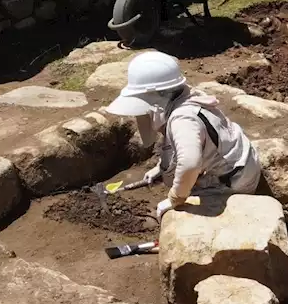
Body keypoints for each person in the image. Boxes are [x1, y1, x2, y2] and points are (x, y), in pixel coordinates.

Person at [104, 51, 261, 220]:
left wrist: (175, 199)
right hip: (241, 164)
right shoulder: (187, 96)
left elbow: (190, 164)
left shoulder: (183, 119)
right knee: (178, 176)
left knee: (182, 196)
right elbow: (189, 144)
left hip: (235, 181)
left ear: (157, 95)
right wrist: (160, 168)